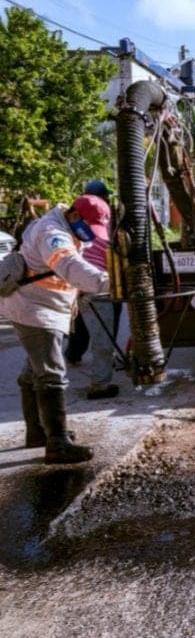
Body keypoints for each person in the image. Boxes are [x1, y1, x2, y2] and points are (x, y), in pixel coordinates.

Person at [0, 196, 110, 463]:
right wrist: (108, 282)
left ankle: (38, 432)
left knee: (34, 371)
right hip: (35, 310)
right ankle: (57, 443)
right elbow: (69, 266)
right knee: (51, 374)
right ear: (73, 215)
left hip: (39, 307)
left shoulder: (66, 227)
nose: (89, 235)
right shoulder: (52, 233)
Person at [75, 193, 119, 400]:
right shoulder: (105, 237)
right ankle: (100, 384)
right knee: (102, 338)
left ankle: (38, 380)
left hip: (71, 291)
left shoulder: (70, 235)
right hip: (97, 292)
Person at [65, 180, 111, 365]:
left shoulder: (68, 226)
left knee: (78, 322)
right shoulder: (105, 223)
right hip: (97, 283)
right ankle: (103, 370)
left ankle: (73, 354)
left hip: (74, 282)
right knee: (104, 326)